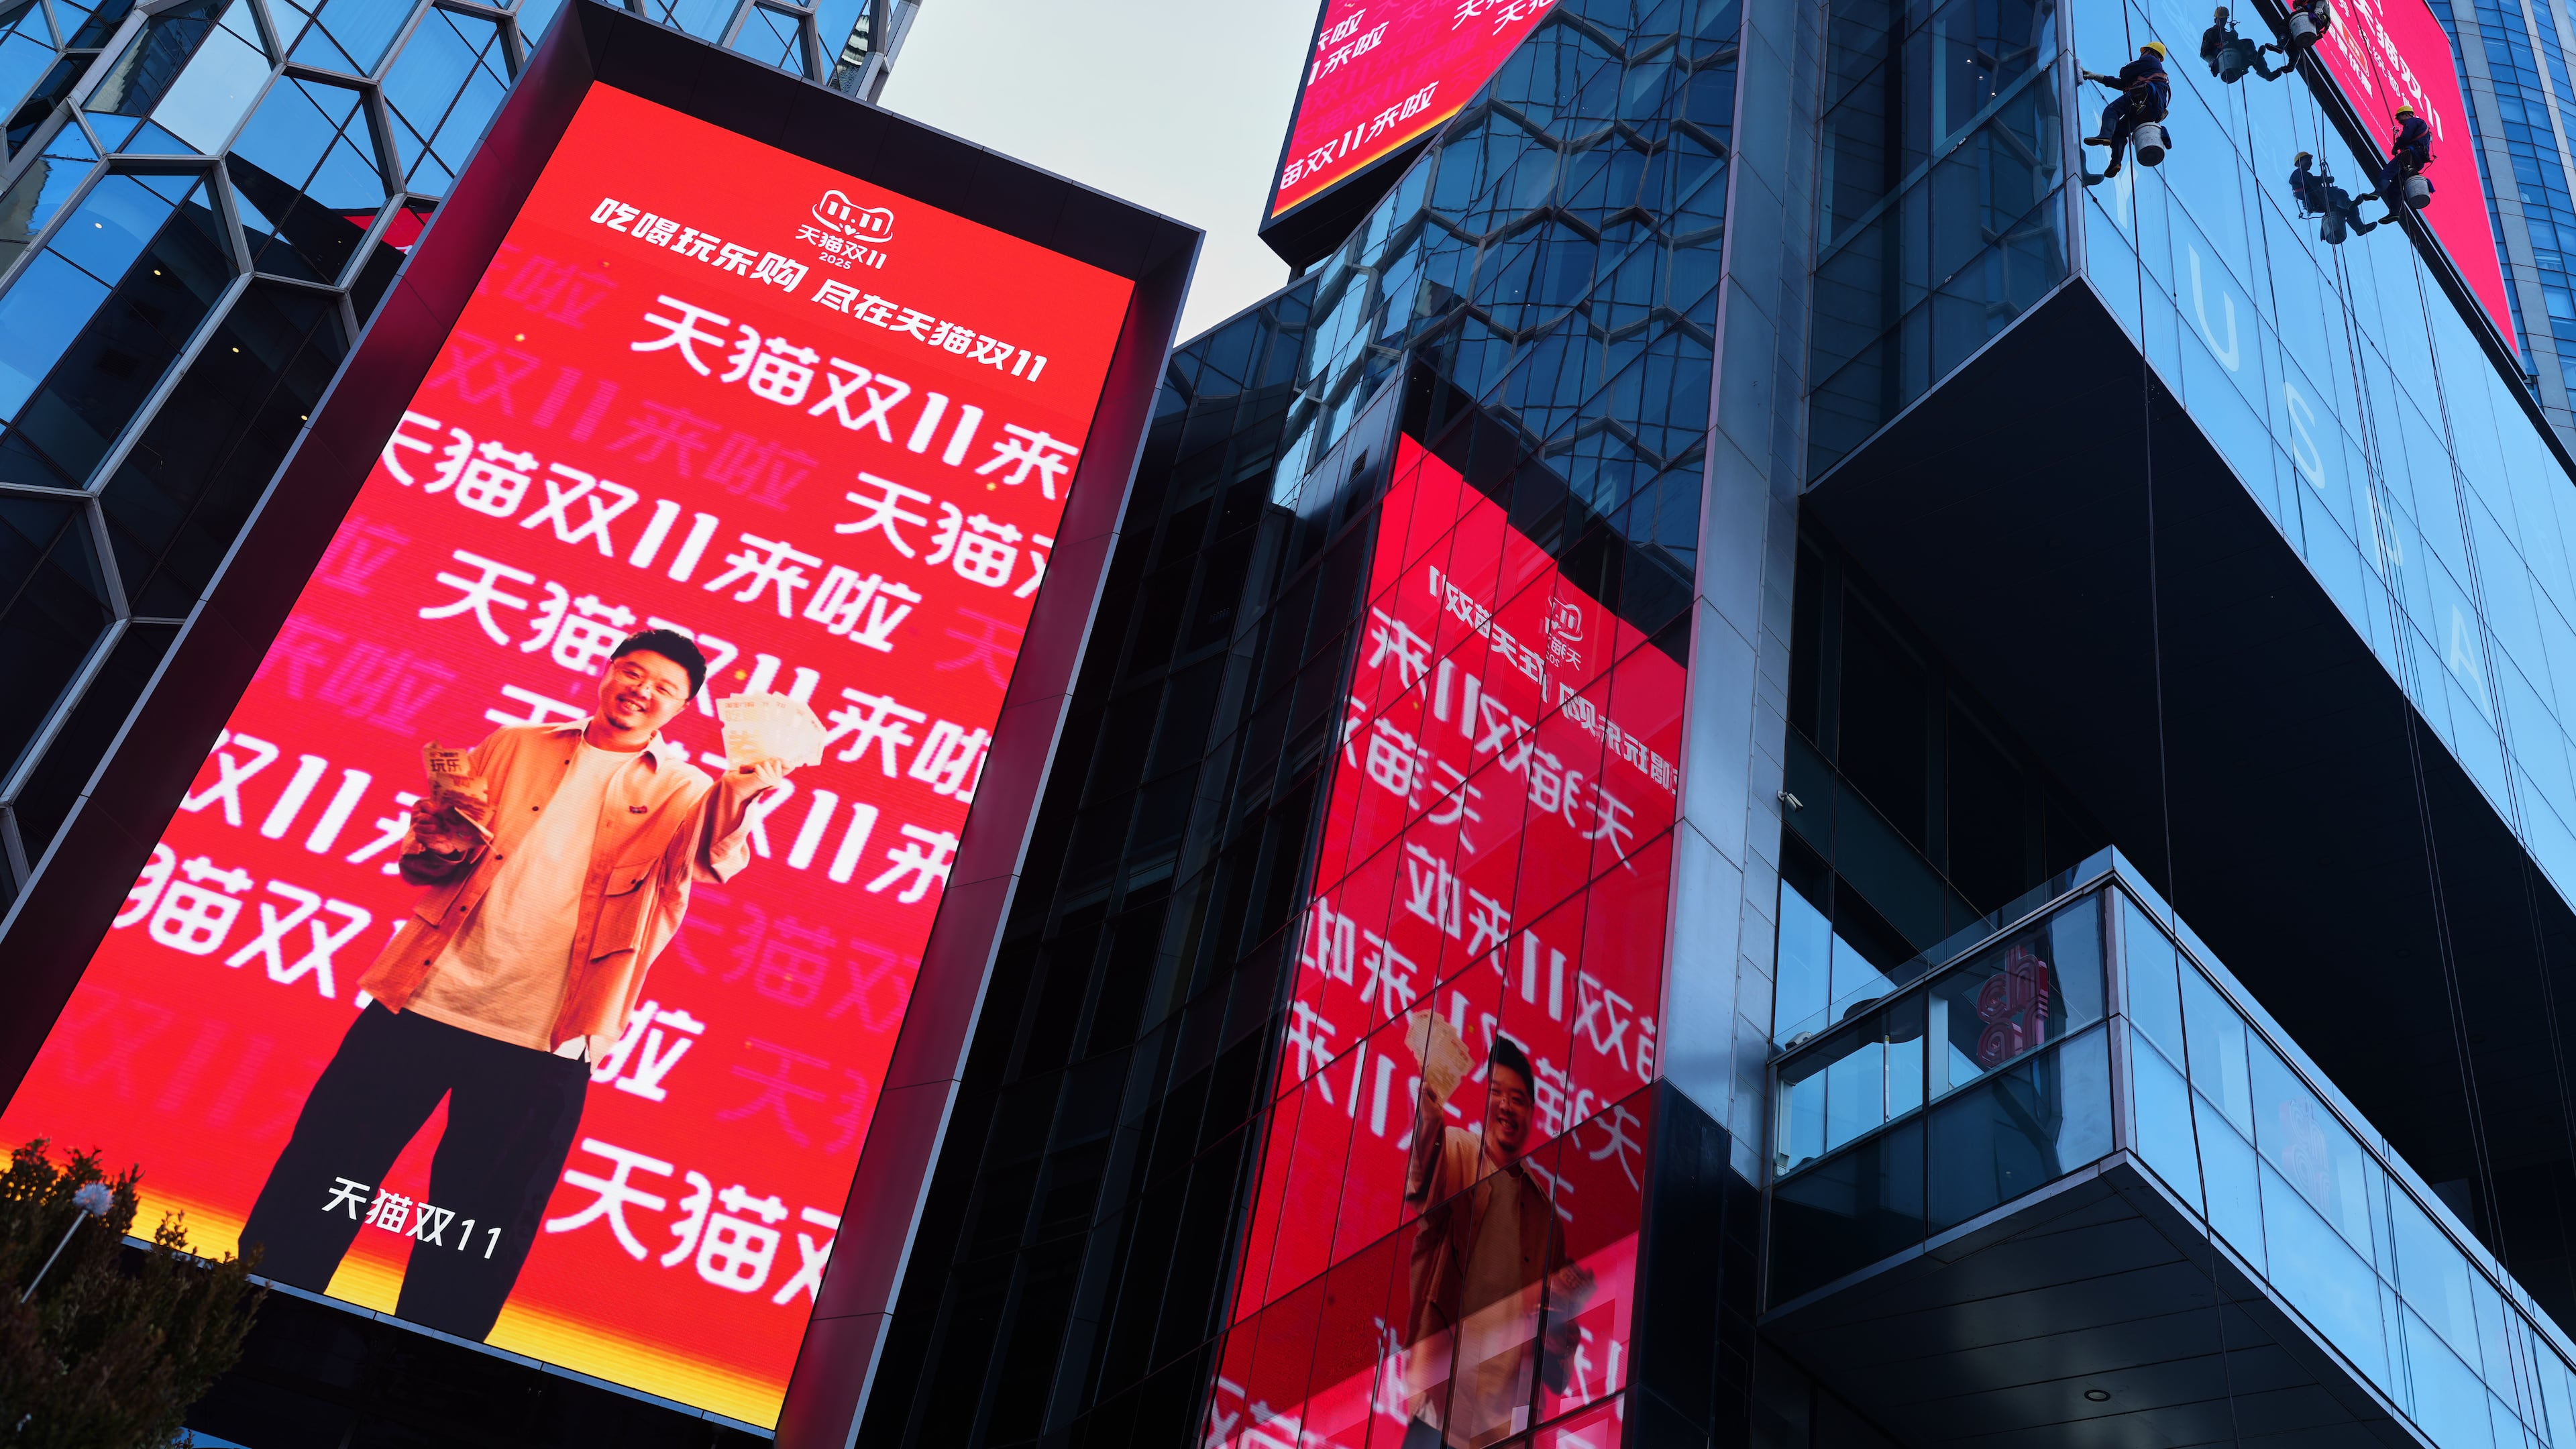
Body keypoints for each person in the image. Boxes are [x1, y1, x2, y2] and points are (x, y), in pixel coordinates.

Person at [236, 629, 792, 1341]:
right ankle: (238, 1325)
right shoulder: (512, 745)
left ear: (682, 709)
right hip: (423, 1001)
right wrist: (434, 840)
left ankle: (420, 1380)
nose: (641, 691)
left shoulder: (689, 790)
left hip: (546, 1038)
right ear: (607, 673)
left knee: (477, 1225)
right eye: (632, 672)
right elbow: (430, 858)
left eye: (663, 688)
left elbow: (714, 859)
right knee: (320, 1173)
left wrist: (744, 793)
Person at [1399, 1018, 1595, 1449]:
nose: (1507, 1106)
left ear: (1530, 1114)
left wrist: (1559, 1316)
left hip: (1503, 1427)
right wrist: (1431, 1095)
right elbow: (1421, 1185)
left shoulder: (1546, 1216)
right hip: (1440, 1405)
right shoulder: (1460, 1150)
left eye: (1519, 1099)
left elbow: (1558, 1368)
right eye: (1497, 1094)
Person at [2084, 42, 2172, 179]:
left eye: (2144, 52)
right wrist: (2095, 76)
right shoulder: (2155, 72)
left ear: (2149, 51)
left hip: (2145, 96)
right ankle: (2116, 163)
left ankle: (2105, 136)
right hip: (2150, 111)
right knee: (2119, 132)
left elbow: (2124, 74)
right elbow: (2122, 84)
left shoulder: (2150, 60)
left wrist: (2129, 68)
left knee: (2112, 110)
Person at [2290, 150, 2375, 237]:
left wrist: (2323, 179)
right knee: (2340, 193)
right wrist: (2323, 179)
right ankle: (2346, 205)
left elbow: (2312, 181)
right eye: (2307, 160)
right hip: (2314, 197)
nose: (2310, 162)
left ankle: (2359, 228)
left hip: (2318, 199)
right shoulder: (2298, 173)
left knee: (2350, 209)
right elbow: (2309, 181)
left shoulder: (2303, 174)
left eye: (2310, 160)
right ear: (2298, 163)